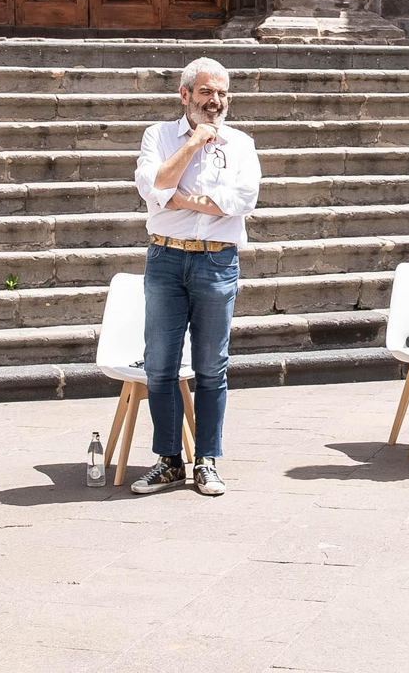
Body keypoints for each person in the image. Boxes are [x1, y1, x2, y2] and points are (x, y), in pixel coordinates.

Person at [129, 57, 261, 496]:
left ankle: (207, 460)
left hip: (217, 261)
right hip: (165, 260)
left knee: (211, 366)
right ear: (184, 95)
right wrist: (193, 144)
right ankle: (168, 460)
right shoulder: (158, 136)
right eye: (206, 92)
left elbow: (243, 199)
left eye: (222, 93)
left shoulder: (241, 143)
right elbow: (152, 188)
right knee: (160, 364)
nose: (215, 102)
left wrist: (183, 200)